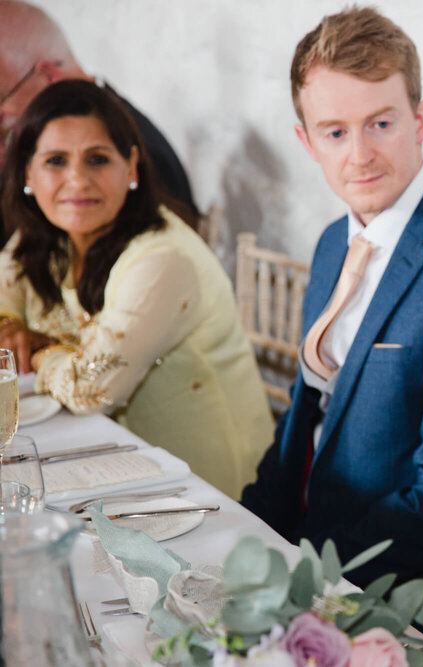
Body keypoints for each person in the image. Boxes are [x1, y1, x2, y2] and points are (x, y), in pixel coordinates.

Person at [240, 7, 423, 587]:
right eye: (335, 132)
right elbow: (307, 415)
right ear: (306, 141)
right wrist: (247, 532)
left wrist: (309, 572)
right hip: (298, 545)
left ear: (420, 120)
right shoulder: (330, 246)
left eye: (381, 124)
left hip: (390, 582)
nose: (359, 156)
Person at [0, 79, 272, 498]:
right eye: (56, 161)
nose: (77, 180)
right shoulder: (44, 238)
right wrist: (11, 327)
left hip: (210, 491)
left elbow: (91, 390)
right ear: (27, 174)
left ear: (131, 167)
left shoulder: (163, 259)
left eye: (97, 159)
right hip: (116, 466)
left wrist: (36, 349)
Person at [0, 0, 197, 238]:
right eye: (56, 161)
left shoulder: (143, 152)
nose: (77, 180)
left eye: (2, 97)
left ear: (46, 76)